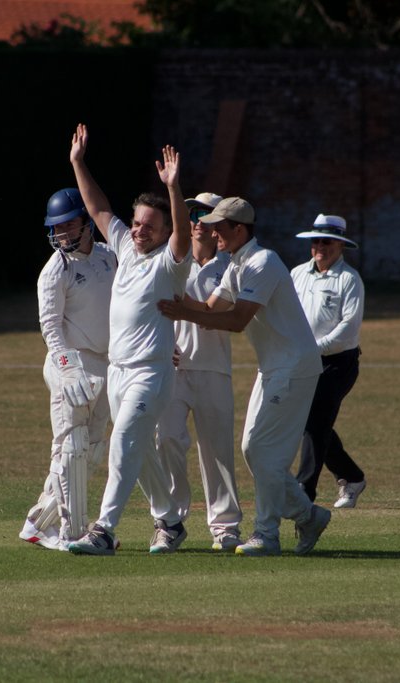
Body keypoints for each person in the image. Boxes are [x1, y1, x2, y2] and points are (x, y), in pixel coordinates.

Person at [158, 197, 330, 557]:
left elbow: (236, 322)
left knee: (261, 451)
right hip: (272, 367)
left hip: (295, 367)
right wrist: (157, 295)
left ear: (239, 229)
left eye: (220, 227)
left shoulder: (263, 262)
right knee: (253, 450)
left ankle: (267, 534)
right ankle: (307, 515)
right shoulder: (237, 264)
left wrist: (182, 313)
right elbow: (207, 308)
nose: (213, 231)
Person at [65, 123, 193, 556]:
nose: (139, 230)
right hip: (118, 372)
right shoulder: (124, 245)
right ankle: (171, 522)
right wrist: (78, 162)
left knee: (123, 442)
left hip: (151, 374)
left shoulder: (169, 264)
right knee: (139, 454)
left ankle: (103, 530)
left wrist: (174, 190)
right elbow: (98, 209)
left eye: (148, 226)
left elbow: (179, 234)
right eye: (137, 223)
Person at [18, 188, 117, 551]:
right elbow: (50, 327)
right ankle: (73, 532)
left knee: (90, 452)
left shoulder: (109, 257)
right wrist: (68, 368)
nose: (61, 234)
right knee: (71, 447)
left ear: (87, 222)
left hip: (106, 363)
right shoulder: (55, 270)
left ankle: (36, 523)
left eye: (68, 224)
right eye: (55, 228)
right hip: (70, 362)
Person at [155, 191, 244, 552]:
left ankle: (225, 528)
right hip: (172, 369)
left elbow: (221, 314)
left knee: (217, 451)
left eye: (204, 214)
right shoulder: (173, 262)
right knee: (166, 440)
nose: (195, 221)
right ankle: (170, 522)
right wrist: (162, 345)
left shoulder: (231, 268)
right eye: (192, 213)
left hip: (213, 369)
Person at [291, 214, 366, 508]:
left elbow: (348, 328)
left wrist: (315, 347)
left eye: (327, 241)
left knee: (316, 421)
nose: (320, 246)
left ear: (340, 245)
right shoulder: (297, 274)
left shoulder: (349, 279)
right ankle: (352, 476)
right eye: (316, 241)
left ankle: (303, 489)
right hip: (302, 360)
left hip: (337, 363)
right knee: (306, 422)